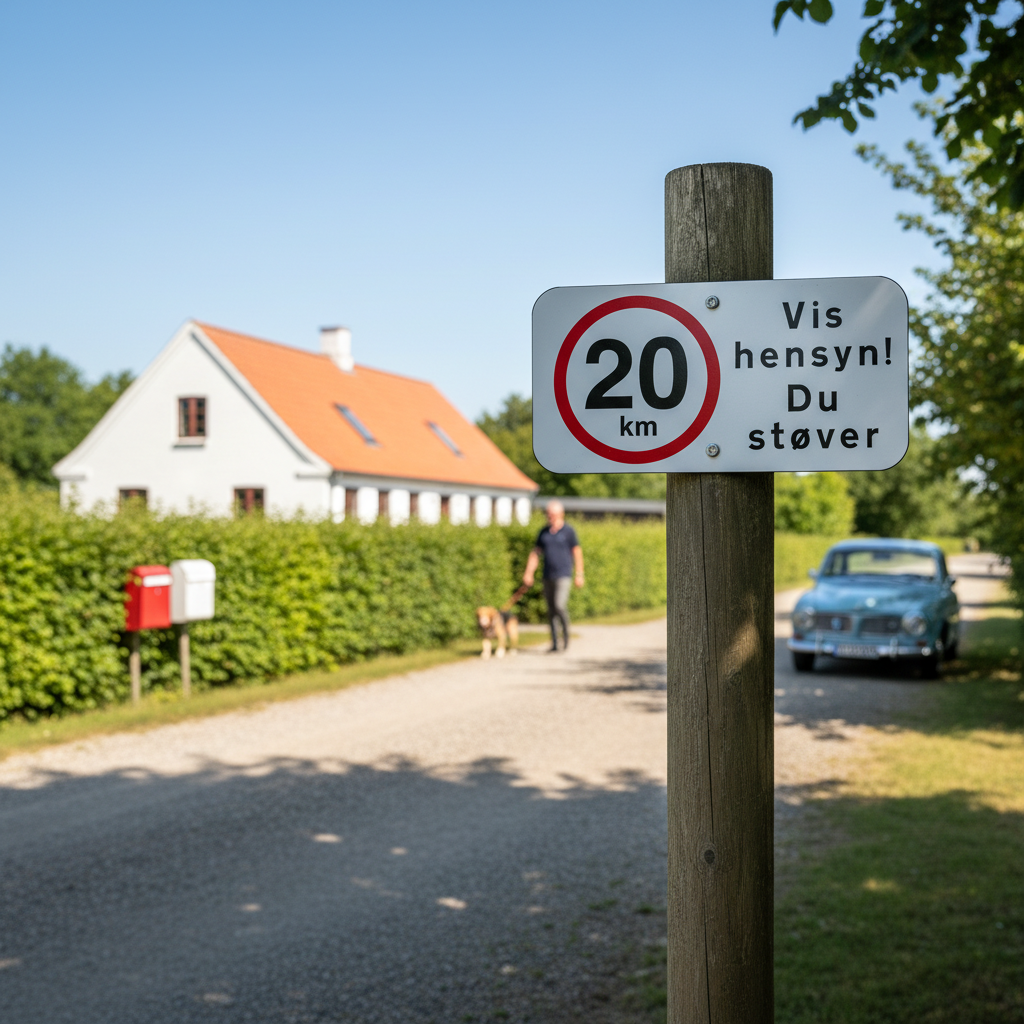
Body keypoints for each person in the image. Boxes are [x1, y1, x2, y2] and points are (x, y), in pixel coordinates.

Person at [523, 500, 584, 652]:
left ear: (561, 514)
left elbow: (577, 552)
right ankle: (555, 643)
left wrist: (579, 574)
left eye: (553, 514)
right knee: (550, 610)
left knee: (559, 605)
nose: (550, 517)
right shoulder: (543, 532)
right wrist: (529, 573)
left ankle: (566, 636)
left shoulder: (568, 531)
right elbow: (536, 553)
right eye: (548, 514)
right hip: (547, 575)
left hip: (564, 574)